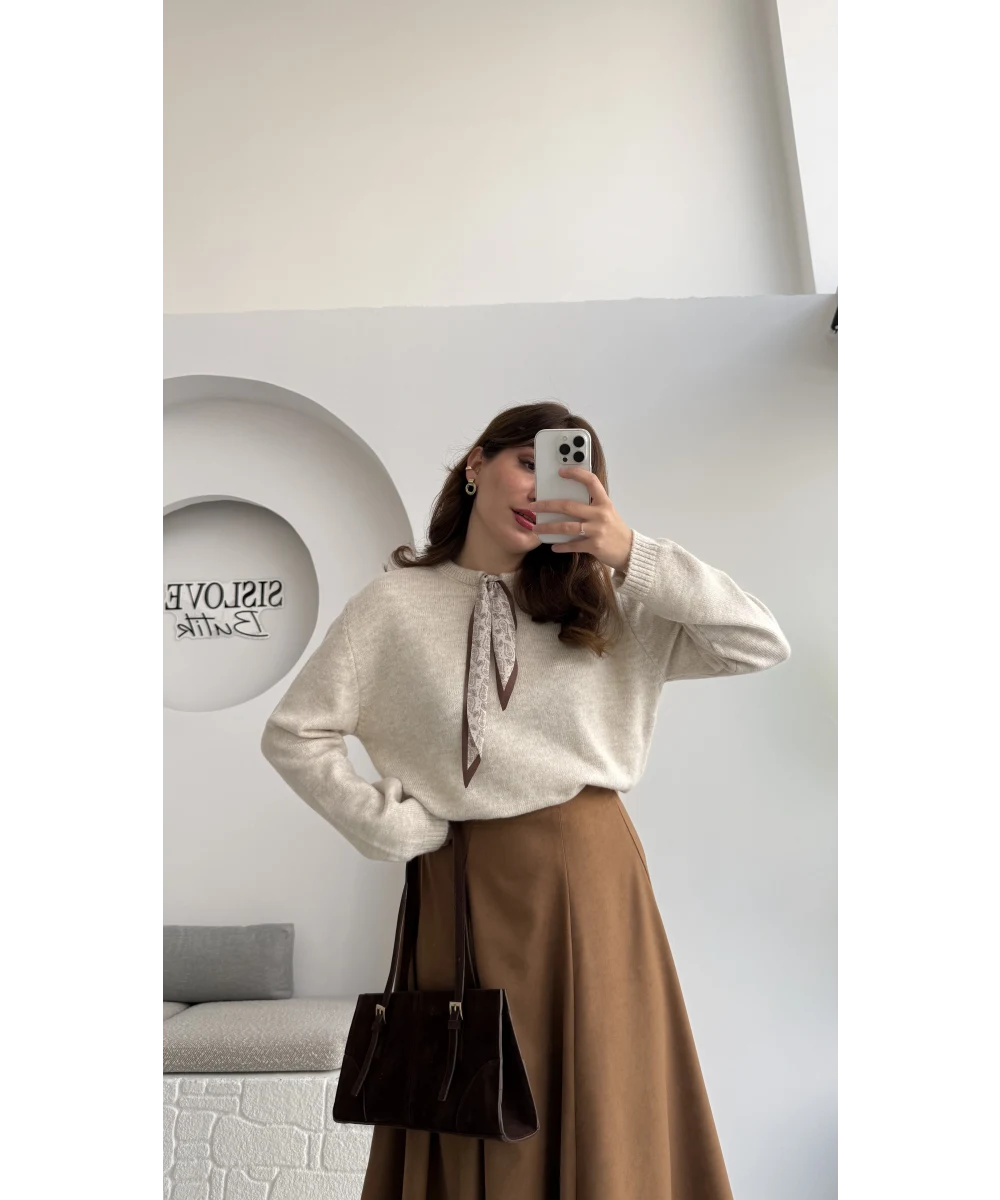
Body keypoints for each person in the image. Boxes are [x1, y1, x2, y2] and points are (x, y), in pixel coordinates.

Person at [260, 401, 791, 1199]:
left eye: (569, 476)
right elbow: (295, 732)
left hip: (591, 878)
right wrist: (380, 825)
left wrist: (632, 553)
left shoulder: (607, 600)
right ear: (477, 464)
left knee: (602, 1093)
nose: (541, 491)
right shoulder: (391, 608)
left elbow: (758, 640)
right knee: (469, 1095)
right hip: (458, 884)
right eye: (527, 465)